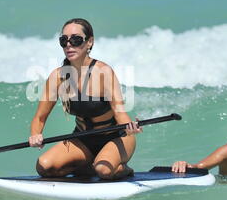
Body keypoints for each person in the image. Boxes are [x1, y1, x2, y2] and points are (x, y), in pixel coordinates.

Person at [29, 18, 142, 180]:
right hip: (83, 139)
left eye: (75, 39)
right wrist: (35, 134)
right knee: (44, 166)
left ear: (89, 42)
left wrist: (129, 126)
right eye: (64, 40)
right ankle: (89, 166)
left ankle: (123, 169)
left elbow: (120, 113)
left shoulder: (103, 72)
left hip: (117, 137)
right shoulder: (58, 77)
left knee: (103, 170)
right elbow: (39, 117)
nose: (69, 44)